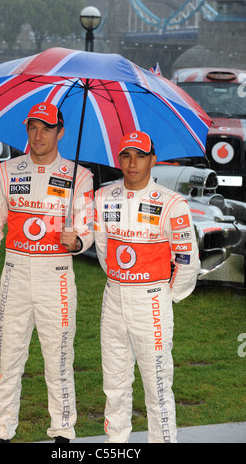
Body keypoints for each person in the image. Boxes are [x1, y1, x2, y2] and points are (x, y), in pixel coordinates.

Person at [0, 102, 94, 443]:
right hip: (14, 272)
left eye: (46, 128)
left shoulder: (80, 176)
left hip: (56, 275)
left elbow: (89, 229)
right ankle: (0, 433)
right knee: (8, 360)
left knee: (59, 361)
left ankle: (63, 435)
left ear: (60, 132)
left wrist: (77, 240)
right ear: (26, 130)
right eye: (32, 127)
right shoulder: (7, 171)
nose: (38, 135)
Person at [94, 131, 200, 443]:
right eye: (126, 155)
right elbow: (102, 249)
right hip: (113, 297)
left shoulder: (172, 203)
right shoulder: (103, 197)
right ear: (119, 159)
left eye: (140, 155)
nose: (133, 163)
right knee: (114, 384)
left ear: (153, 159)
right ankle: (116, 444)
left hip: (151, 302)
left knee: (157, 384)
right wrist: (121, 279)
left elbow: (186, 260)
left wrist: (166, 295)